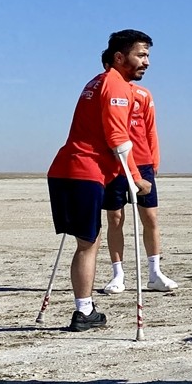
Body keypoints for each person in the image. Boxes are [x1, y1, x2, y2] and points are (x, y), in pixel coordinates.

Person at [46, 30, 153, 332]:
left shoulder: (95, 82)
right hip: (84, 170)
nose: (146, 62)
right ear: (120, 57)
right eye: (140, 55)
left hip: (65, 169)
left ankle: (85, 308)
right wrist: (136, 179)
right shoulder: (116, 86)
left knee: (84, 241)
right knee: (87, 244)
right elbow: (119, 138)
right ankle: (83, 311)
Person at [100, 47, 178, 295]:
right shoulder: (108, 89)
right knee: (115, 219)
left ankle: (155, 273)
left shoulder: (143, 94)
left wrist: (154, 162)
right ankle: (118, 274)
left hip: (142, 163)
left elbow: (151, 129)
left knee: (150, 218)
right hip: (115, 164)